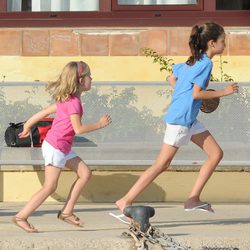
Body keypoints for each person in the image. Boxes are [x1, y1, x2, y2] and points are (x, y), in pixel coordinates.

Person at [116, 22, 239, 214]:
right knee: (162, 164)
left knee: (215, 153)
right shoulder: (206, 63)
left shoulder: (192, 61)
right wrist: (223, 92)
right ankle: (125, 200)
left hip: (188, 118)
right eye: (223, 41)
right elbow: (196, 94)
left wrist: (182, 93)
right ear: (213, 43)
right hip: (181, 119)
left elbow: (172, 78)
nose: (225, 44)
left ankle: (193, 199)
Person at [12, 61, 112, 232]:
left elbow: (43, 113)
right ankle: (21, 216)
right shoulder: (74, 103)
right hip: (56, 147)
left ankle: (66, 212)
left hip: (61, 146)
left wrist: (28, 125)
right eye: (89, 75)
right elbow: (78, 129)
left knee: (85, 173)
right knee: (50, 187)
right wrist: (99, 125)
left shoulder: (69, 98)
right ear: (81, 80)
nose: (91, 79)